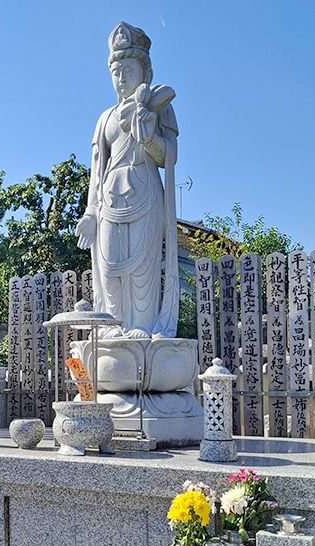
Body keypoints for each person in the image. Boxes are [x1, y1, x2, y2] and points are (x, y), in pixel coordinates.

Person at [75, 21, 179, 339]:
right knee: (110, 269)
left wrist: (148, 137)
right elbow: (96, 171)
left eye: (128, 70)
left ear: (144, 72)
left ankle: (142, 328)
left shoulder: (157, 107)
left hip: (145, 191)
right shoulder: (104, 118)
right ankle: (113, 327)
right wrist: (90, 214)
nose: (121, 79)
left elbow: (168, 156)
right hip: (108, 199)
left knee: (141, 269)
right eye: (116, 72)